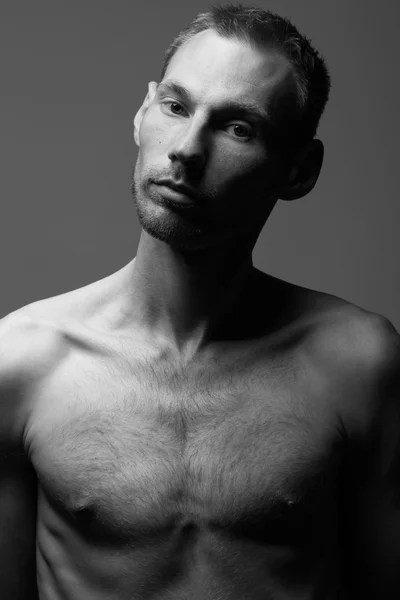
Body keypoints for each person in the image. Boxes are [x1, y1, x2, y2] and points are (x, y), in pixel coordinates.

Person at [1, 4, 399, 599]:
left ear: (298, 171)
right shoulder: (22, 362)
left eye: (239, 128)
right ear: (141, 115)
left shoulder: (358, 365)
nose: (187, 150)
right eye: (176, 107)